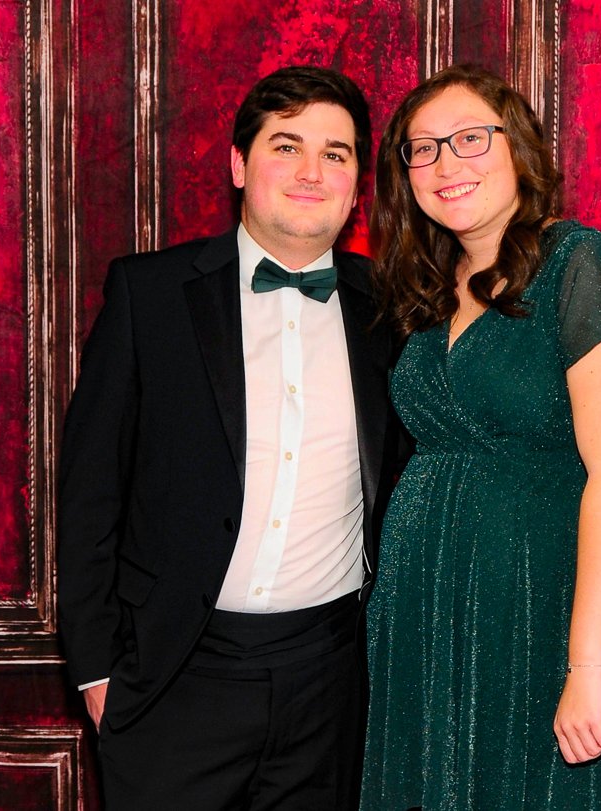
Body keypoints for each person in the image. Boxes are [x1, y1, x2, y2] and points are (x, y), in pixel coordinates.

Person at [57, 66, 404, 810]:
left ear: (357, 186)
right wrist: (97, 672)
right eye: (287, 146)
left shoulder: (394, 309)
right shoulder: (149, 295)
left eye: (336, 153)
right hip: (173, 676)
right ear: (239, 164)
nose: (312, 171)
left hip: (331, 683)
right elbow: (89, 492)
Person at [360, 65, 601, 810]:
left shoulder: (580, 265)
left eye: (470, 138)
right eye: (423, 148)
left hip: (547, 603)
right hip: (427, 607)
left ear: (520, 149)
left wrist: (586, 665)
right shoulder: (426, 288)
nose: (447, 162)